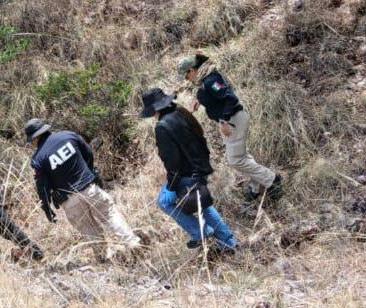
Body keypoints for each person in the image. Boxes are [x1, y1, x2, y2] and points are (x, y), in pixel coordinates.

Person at [25, 118, 142, 261]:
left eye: (31, 140)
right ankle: (132, 242)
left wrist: (47, 208)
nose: (32, 143)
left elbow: (42, 187)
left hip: (70, 201)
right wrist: (91, 172)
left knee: (88, 228)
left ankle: (104, 257)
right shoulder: (68, 135)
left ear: (36, 138)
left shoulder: (38, 159)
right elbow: (88, 153)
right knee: (110, 215)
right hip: (90, 189)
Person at [140, 88, 239, 252]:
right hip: (199, 168)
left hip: (186, 174)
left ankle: (200, 232)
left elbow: (172, 163)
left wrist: (171, 187)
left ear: (153, 109)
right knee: (204, 205)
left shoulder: (162, 126)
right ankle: (228, 241)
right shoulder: (181, 112)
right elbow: (200, 141)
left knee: (164, 202)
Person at [178, 53, 282, 202]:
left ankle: (272, 180)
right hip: (231, 121)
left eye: (186, 76)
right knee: (242, 156)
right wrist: (199, 100)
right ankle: (256, 186)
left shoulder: (210, 80)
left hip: (234, 121)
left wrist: (224, 121)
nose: (186, 79)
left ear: (192, 70)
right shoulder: (205, 79)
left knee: (235, 160)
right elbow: (214, 95)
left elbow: (230, 98)